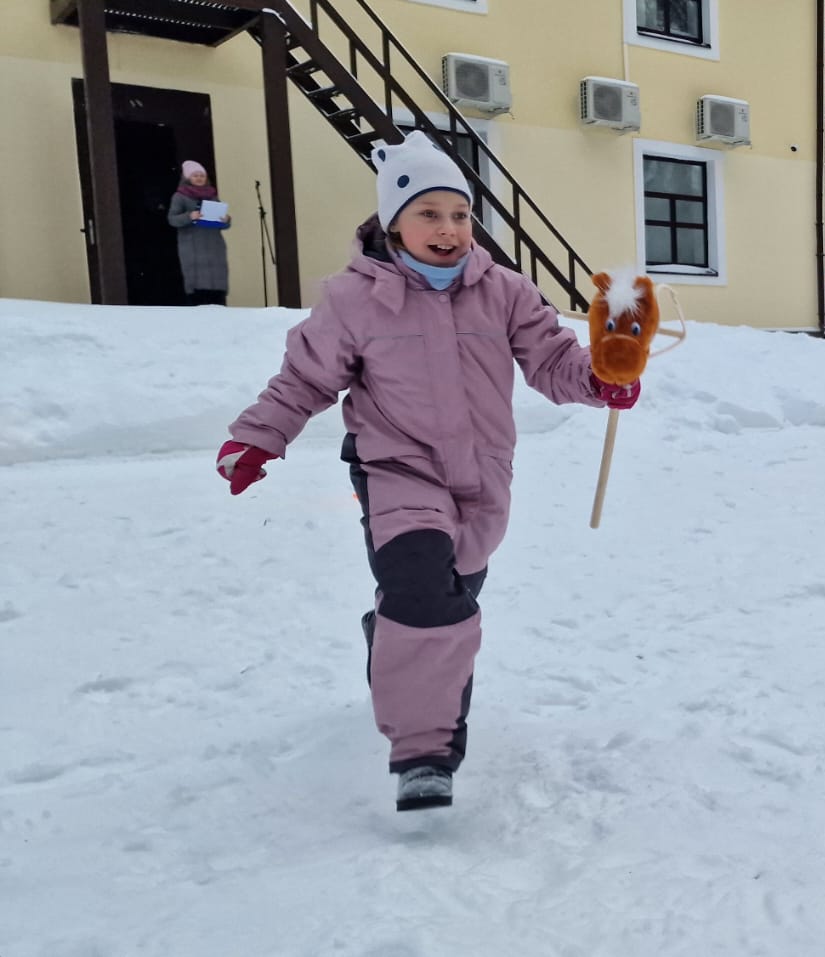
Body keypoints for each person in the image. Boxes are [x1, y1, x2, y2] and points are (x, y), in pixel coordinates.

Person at [213, 131, 642, 812]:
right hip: (395, 467)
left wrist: (603, 376)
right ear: (393, 222)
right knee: (422, 584)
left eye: (459, 214)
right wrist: (258, 438)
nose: (448, 229)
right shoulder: (355, 300)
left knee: (452, 593)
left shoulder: (503, 291)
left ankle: (391, 632)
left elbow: (551, 360)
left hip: (481, 477)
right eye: (428, 213)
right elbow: (303, 379)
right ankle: (425, 753)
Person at [167, 160, 231, 305]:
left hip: (214, 246)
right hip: (193, 246)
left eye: (202, 175)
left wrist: (226, 219)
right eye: (195, 175)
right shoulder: (180, 196)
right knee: (198, 283)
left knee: (217, 282)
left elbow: (223, 224)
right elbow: (172, 219)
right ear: (187, 178)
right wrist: (190, 216)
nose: (199, 178)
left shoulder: (212, 196)